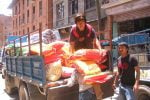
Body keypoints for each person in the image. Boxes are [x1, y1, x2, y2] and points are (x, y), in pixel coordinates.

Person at [68, 13, 102, 100]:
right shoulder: (73, 31)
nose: (81, 24)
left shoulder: (90, 29)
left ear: (85, 22)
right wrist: (71, 56)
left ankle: (98, 94)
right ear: (76, 24)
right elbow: (71, 45)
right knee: (79, 70)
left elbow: (95, 40)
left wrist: (100, 50)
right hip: (78, 53)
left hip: (88, 52)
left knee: (93, 70)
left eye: (82, 22)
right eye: (79, 23)